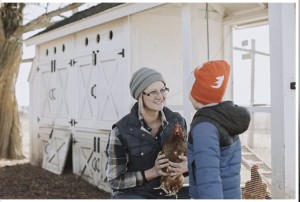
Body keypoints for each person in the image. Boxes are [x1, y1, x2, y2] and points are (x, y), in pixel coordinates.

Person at [106, 67, 188, 199]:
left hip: (170, 191)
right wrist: (152, 172)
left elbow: (186, 158)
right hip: (135, 194)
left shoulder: (177, 122)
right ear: (140, 95)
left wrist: (186, 167)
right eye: (153, 92)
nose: (160, 97)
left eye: (162, 90)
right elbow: (115, 180)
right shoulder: (121, 131)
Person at [187, 60, 251, 199]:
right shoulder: (225, 117)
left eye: (191, 87)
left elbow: (208, 176)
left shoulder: (204, 127)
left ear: (198, 92)